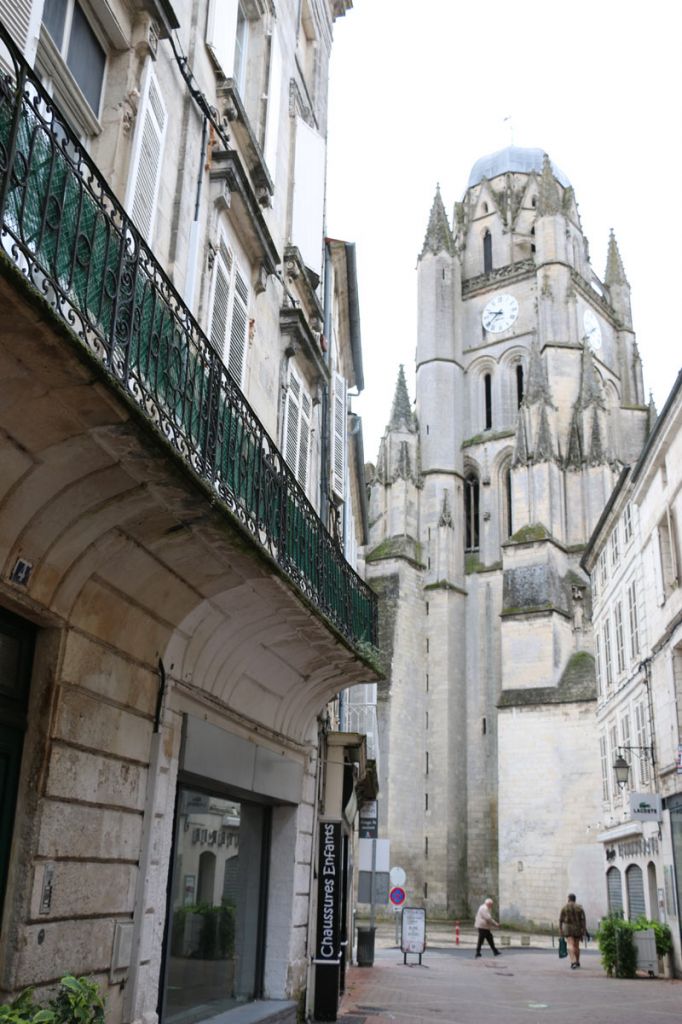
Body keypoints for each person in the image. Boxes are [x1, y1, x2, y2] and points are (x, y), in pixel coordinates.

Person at [559, 893, 586, 969]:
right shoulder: (580, 908)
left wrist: (560, 930)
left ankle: (573, 961)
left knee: (570, 944)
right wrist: (584, 930)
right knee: (576, 945)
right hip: (577, 928)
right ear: (575, 899)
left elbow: (560, 920)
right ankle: (577, 961)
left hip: (568, 928)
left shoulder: (565, 907)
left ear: (568, 899)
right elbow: (583, 920)